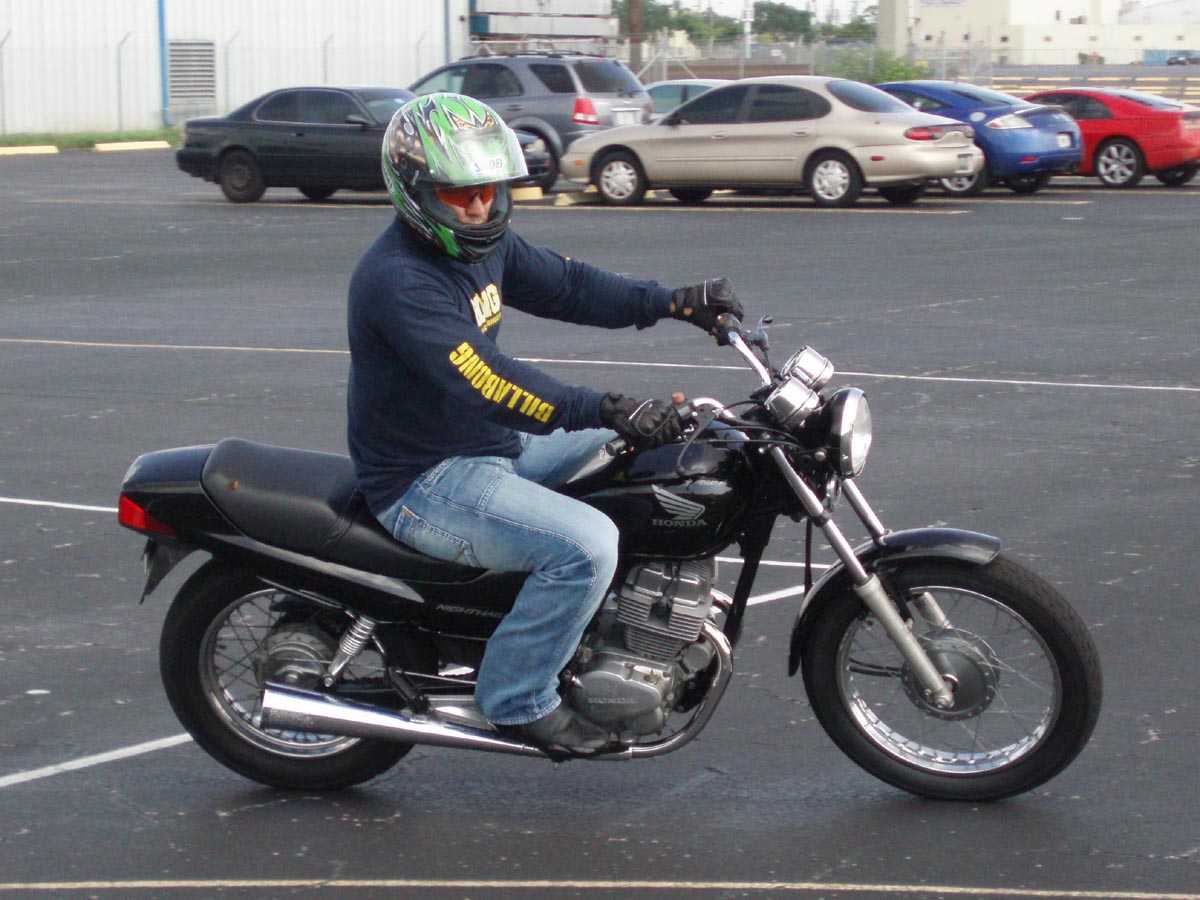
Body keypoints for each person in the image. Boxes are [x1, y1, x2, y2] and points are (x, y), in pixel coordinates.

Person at [346, 93, 742, 756]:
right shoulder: (399, 281)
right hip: (426, 480)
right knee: (587, 546)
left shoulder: (484, 247)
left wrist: (674, 302)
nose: (478, 208)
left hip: (490, 447)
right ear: (415, 193)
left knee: (667, 452)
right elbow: (489, 381)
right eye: (459, 195)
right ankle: (517, 698)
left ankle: (597, 633)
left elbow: (569, 286)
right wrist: (607, 407)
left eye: (488, 191)